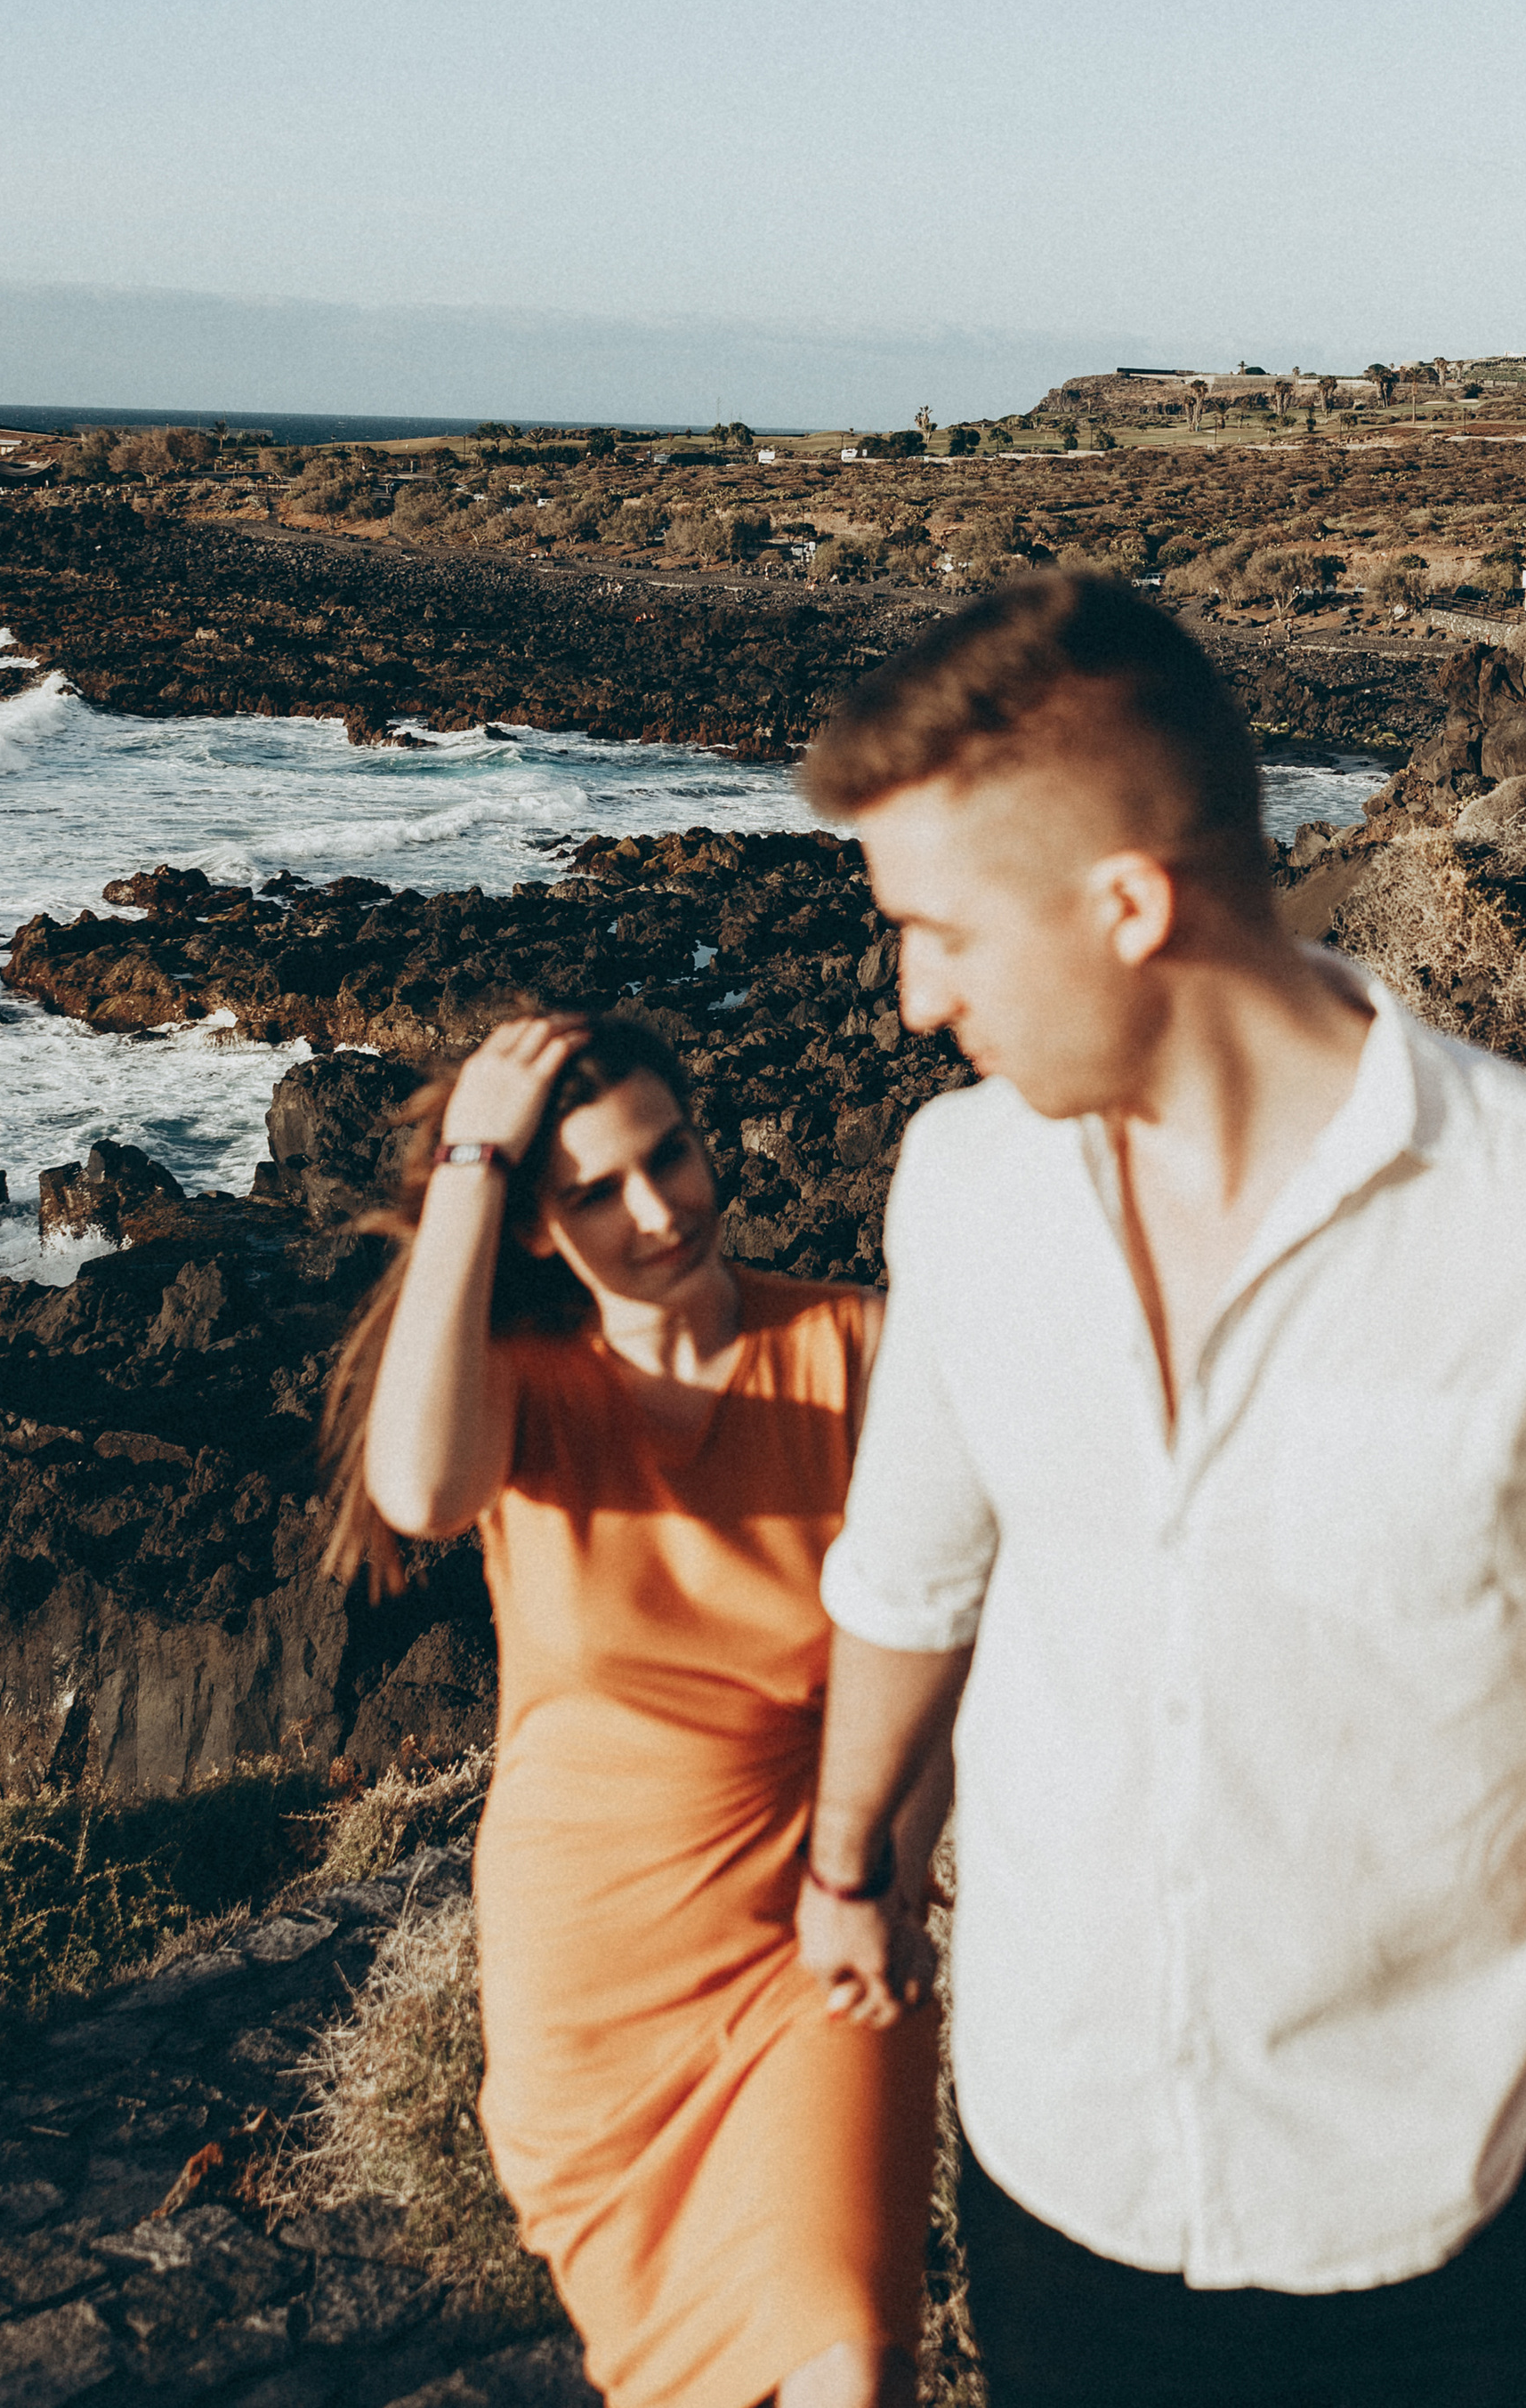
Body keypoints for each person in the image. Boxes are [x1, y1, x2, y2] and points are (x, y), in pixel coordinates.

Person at [792, 575, 1526, 2408]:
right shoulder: (960, 1185)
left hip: (1464, 2227)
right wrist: (846, 1860)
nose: (908, 994)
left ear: (1125, 907)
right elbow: (909, 1572)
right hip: (1059, 2197)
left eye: (937, 930)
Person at [321, 1010, 945, 2408]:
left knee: (851, 2359)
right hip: (586, 1975)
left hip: (814, 1930)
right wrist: (476, 1155)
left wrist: (887, 1867)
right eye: (595, 1191)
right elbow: (418, 1495)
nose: (661, 1210)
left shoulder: (866, 1351)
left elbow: (935, 1649)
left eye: (671, 1155)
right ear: (535, 1229)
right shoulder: (520, 1396)